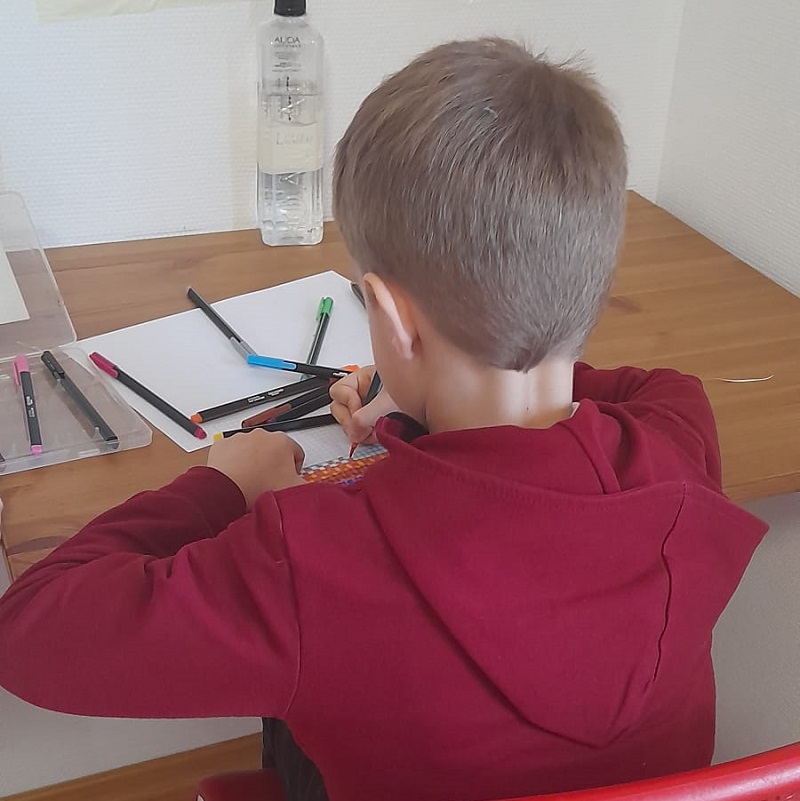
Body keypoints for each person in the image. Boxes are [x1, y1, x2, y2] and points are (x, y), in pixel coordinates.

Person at [0, 38, 766, 801]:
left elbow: (31, 631)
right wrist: (428, 392)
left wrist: (220, 488)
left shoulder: (309, 566)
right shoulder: (680, 431)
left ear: (391, 319)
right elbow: (637, 389)